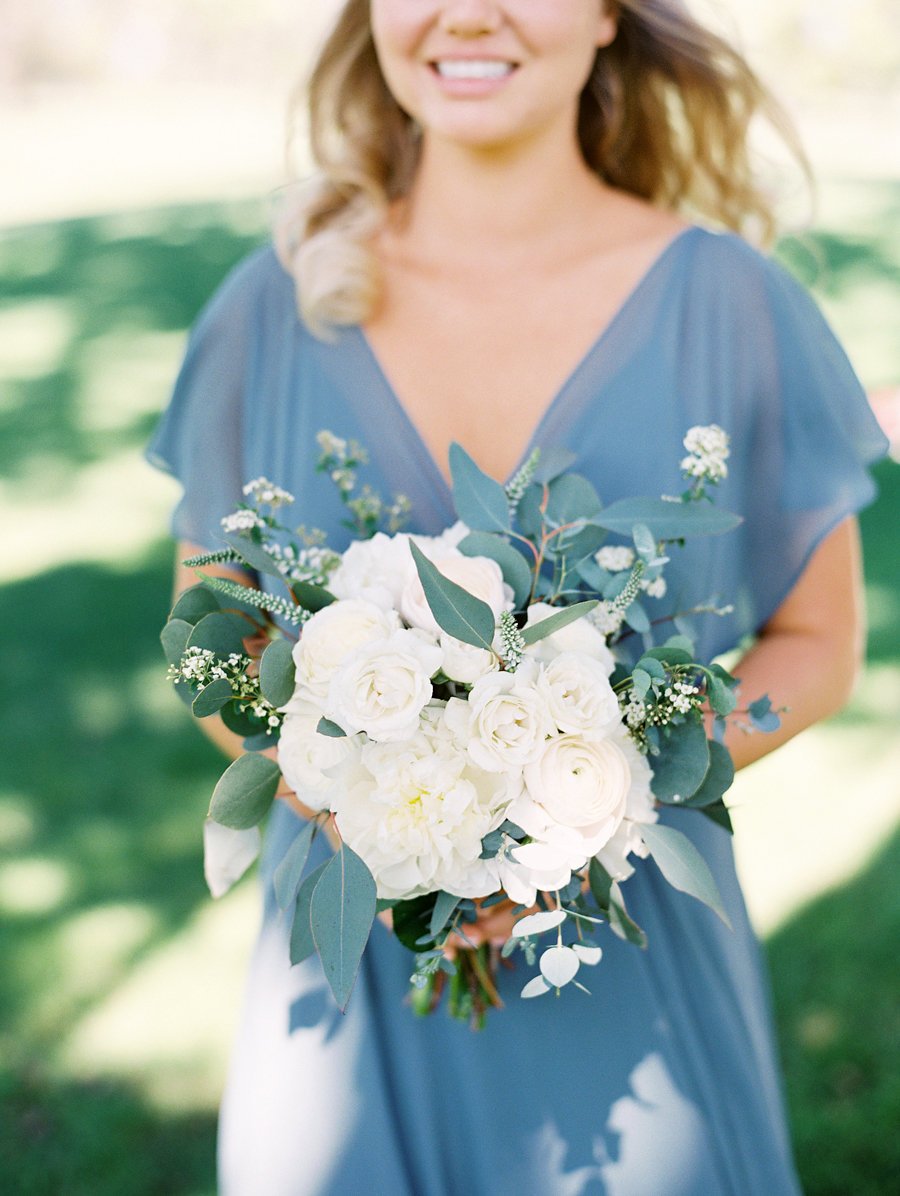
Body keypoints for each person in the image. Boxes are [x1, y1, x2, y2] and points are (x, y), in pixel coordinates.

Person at [146, 2, 888, 1193]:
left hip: (636, 988)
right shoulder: (265, 309)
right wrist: (372, 814)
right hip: (345, 988)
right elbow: (211, 647)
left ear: (607, 15)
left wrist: (603, 794)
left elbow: (822, 642)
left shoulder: (735, 304)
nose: (466, 11)